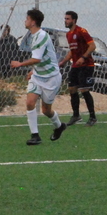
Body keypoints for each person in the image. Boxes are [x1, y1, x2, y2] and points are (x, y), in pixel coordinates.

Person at [9, 8, 66, 146]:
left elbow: (37, 59)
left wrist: (20, 64)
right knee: (30, 103)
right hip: (37, 76)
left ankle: (59, 126)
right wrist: (33, 71)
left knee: (46, 110)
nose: (25, 21)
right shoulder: (33, 36)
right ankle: (35, 135)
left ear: (33, 22)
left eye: (27, 19)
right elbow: (39, 58)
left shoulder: (41, 36)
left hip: (51, 77)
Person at [62, 10, 97, 127]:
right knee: (72, 89)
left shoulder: (81, 31)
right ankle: (76, 115)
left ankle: (92, 117)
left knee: (84, 90)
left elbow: (92, 46)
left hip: (86, 65)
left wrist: (83, 57)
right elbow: (72, 51)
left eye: (68, 19)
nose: (65, 21)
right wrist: (63, 61)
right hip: (76, 66)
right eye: (65, 19)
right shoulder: (68, 34)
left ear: (74, 20)